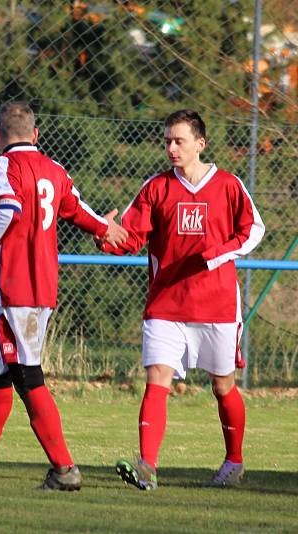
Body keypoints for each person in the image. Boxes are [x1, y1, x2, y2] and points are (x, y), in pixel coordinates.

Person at [0, 101, 127, 490]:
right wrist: (103, 229)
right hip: (43, 287)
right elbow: (76, 207)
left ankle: (64, 470)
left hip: (15, 288)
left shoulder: (2, 167)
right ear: (36, 135)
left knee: (25, 375)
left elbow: (8, 209)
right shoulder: (54, 169)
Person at [99, 109, 265, 490]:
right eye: (168, 141)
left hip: (217, 305)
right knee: (157, 378)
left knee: (223, 385)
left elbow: (254, 228)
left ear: (200, 144)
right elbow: (132, 237)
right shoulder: (156, 187)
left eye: (180, 141)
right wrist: (107, 234)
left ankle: (234, 461)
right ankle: (147, 467)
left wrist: (219, 253)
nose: (172, 148)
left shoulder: (227, 184)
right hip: (167, 304)